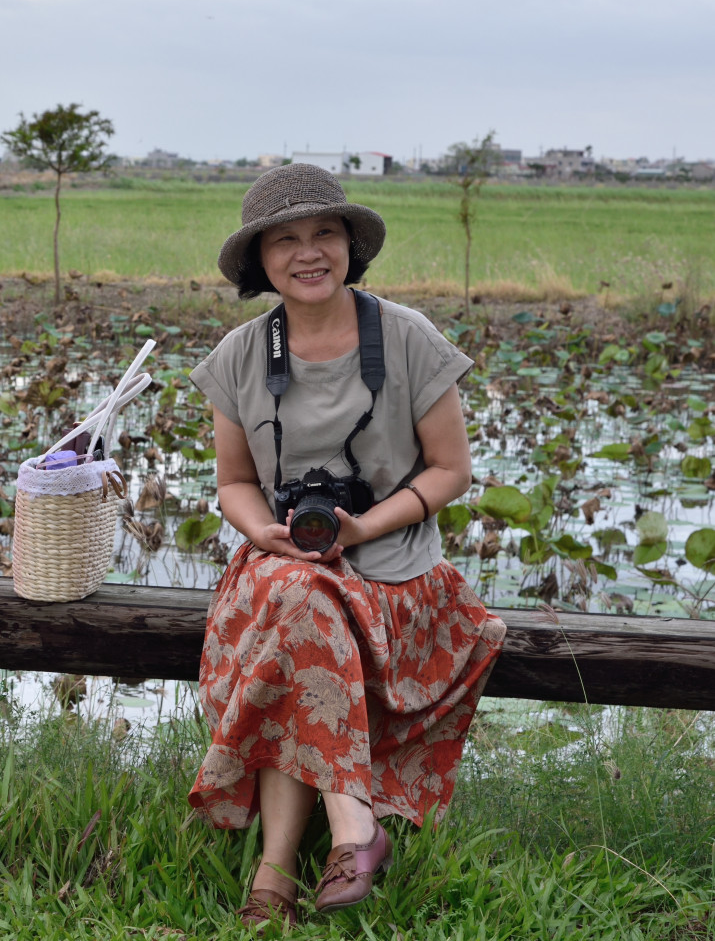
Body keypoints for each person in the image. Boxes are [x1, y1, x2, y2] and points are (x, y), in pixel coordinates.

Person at [187, 163, 506, 929]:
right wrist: (259, 528)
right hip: (281, 565)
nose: (308, 252)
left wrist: (363, 526)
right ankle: (352, 827)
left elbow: (451, 471)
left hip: (396, 574)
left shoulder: (404, 337)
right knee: (299, 595)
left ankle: (275, 872)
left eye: (323, 232)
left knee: (299, 607)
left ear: (349, 244)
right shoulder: (239, 354)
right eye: (285, 239)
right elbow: (233, 482)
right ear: (259, 261)